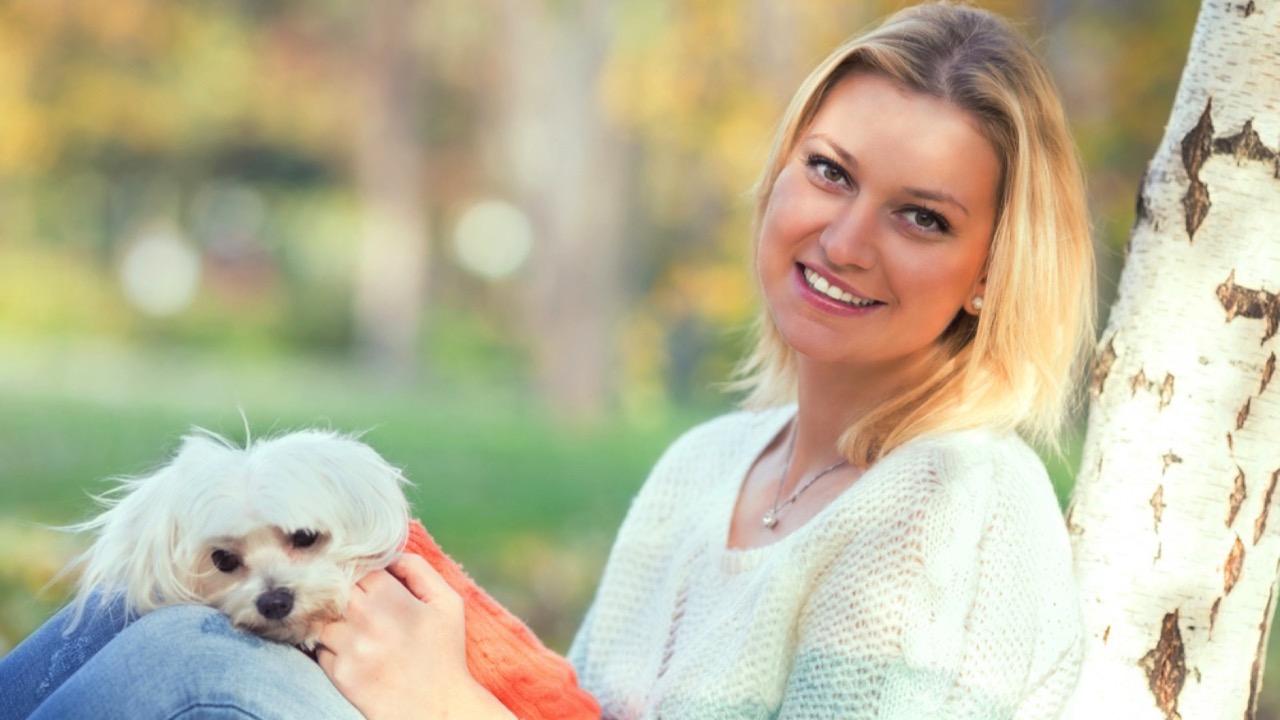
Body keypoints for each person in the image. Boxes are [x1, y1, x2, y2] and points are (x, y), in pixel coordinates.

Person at [0, 2, 1094, 718]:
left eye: (920, 217)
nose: (845, 239)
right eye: (828, 172)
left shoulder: (957, 504)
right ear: (776, 178)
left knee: (198, 667)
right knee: (137, 599)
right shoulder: (706, 467)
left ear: (994, 269)